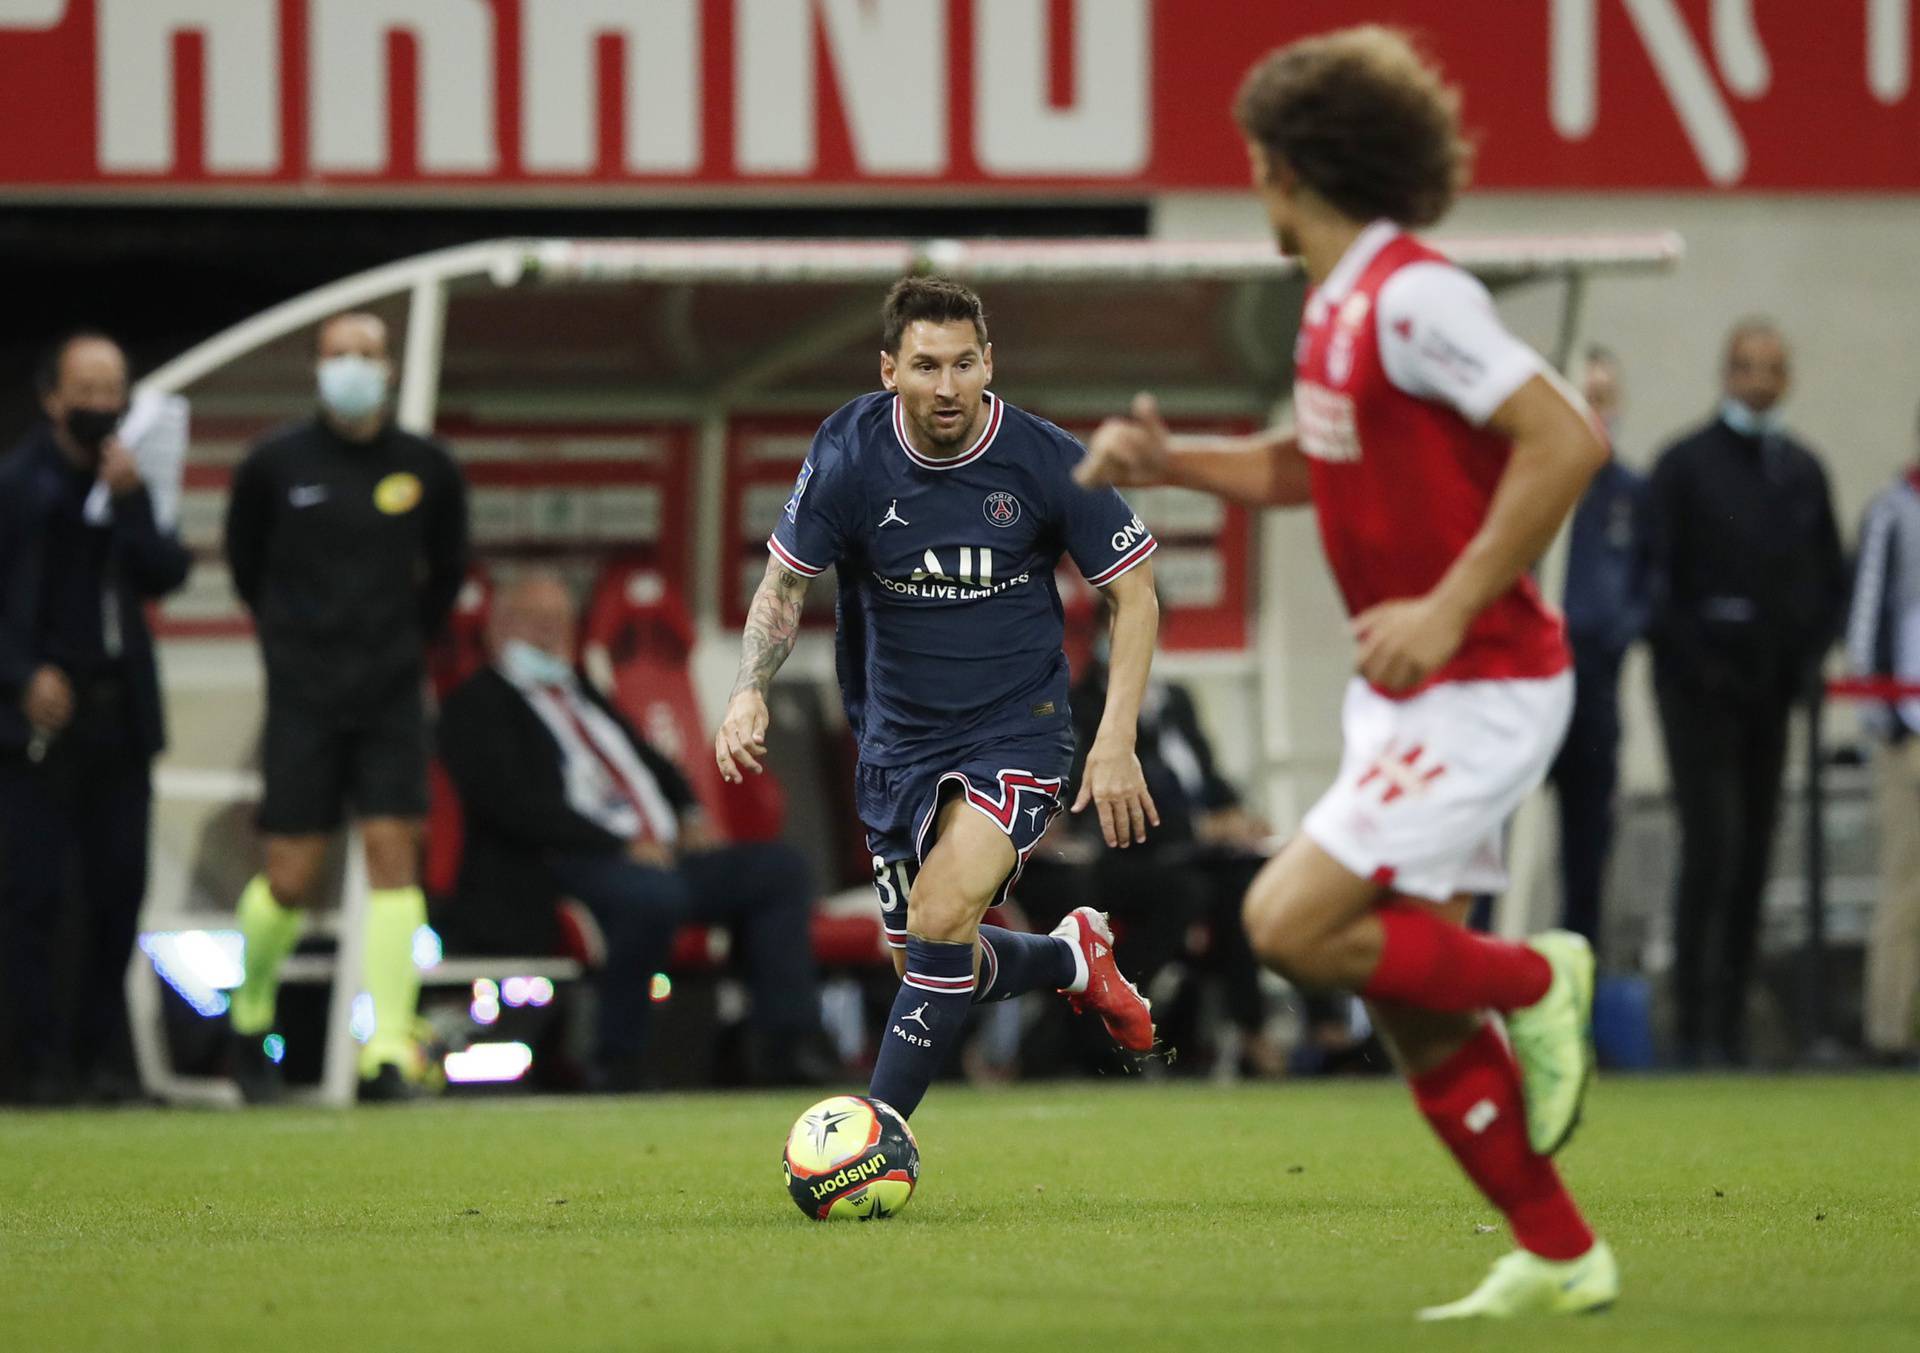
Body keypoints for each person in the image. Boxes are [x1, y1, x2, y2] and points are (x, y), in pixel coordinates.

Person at [1077, 27, 1618, 1319]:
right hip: (1411, 690)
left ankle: (1543, 978)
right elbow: (1305, 461)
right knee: (1399, 996)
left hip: (1482, 680)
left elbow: (1565, 439)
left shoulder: (1418, 297)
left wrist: (1445, 602)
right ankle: (1558, 1249)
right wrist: (1178, 465)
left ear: (1283, 167)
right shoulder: (1338, 305)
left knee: (1287, 923)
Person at [714, 276, 1163, 1126]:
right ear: (890, 370)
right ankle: (1072, 959)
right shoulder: (848, 451)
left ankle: (877, 1135)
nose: (948, 386)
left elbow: (1133, 589)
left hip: (1017, 732)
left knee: (941, 911)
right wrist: (747, 691)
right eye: (926, 366)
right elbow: (784, 582)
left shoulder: (1043, 456)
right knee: (927, 955)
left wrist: (1116, 739)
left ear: (989, 362)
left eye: (964, 364)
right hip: (894, 746)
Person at [437, 572, 832, 1090]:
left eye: (561, 621)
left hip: (658, 854)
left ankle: (783, 1046)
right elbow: (516, 807)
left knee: (779, 871)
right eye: (537, 622)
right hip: (566, 860)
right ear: (498, 628)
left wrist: (691, 816)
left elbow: (655, 765)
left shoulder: (580, 691)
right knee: (652, 896)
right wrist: (621, 845)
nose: (552, 634)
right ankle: (616, 1058)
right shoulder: (477, 704)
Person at [221, 311, 470, 1102]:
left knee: (395, 858)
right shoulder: (273, 463)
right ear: (315, 365)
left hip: (392, 692)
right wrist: (299, 646)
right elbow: (244, 565)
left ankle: (387, 1051)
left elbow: (448, 572)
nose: (353, 367)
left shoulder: (426, 467)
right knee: (290, 873)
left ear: (391, 368)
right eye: (339, 354)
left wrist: (398, 645)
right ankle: (248, 1016)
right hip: (303, 695)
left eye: (367, 354)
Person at [1644, 319, 1844, 1068]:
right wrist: (1703, 662)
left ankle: (1730, 1022)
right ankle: (1692, 1022)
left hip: (1771, 692)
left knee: (1757, 849)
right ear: (1726, 374)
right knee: (1712, 845)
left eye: (1772, 370)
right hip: (1699, 694)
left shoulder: (1801, 471)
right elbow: (1658, 588)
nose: (1759, 383)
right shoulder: (1685, 466)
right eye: (1747, 368)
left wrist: (1802, 660)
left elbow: (1827, 579)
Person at [0, 332, 192, 1104]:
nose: (101, 406)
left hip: (121, 719)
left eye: (113, 389)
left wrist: (133, 499)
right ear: (52, 398)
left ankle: (105, 1063)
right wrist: (19, 677)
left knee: (120, 892)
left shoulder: (133, 475)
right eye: (85, 390)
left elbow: (166, 572)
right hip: (37, 726)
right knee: (35, 898)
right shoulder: (17, 484)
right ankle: (37, 1065)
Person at [1548, 346, 1650, 945]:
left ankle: (1574, 993)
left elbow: (1650, 581)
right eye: (1583, 394)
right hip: (1525, 685)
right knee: (1493, 848)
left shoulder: (1630, 494)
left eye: (1604, 397)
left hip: (1595, 684)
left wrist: (1614, 635)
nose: (1595, 409)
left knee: (1588, 850)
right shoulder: (1522, 486)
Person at [1844, 404, 1920, 1066]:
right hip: (1910, 729)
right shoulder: (1894, 512)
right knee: (1906, 885)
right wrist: (1883, 717)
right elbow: (1867, 616)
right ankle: (1890, 1031)